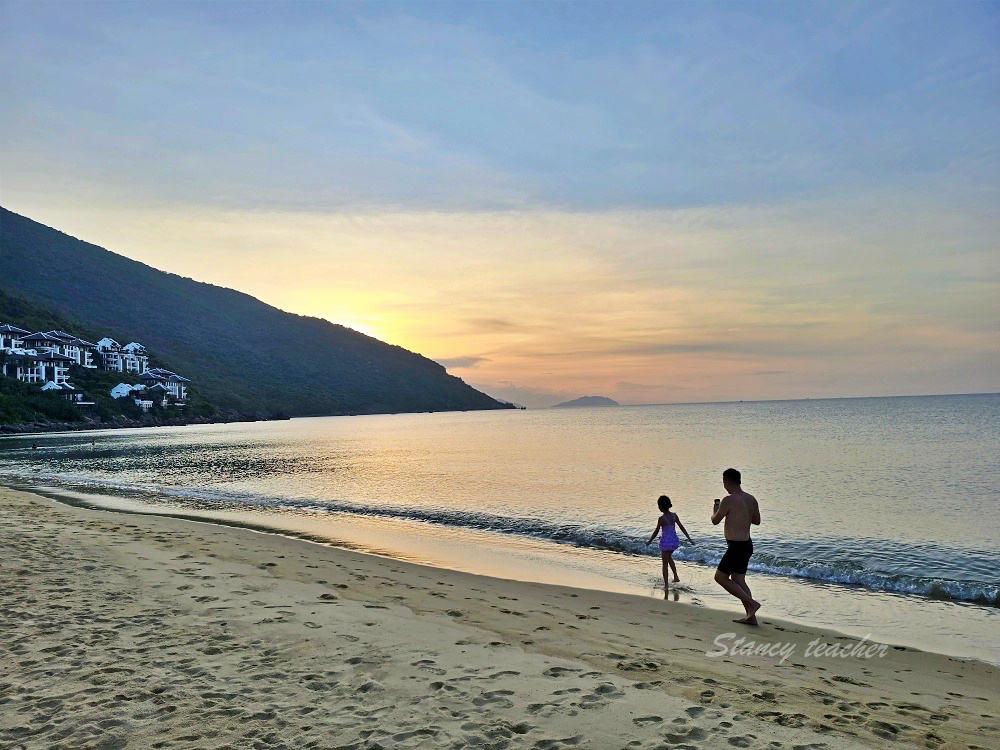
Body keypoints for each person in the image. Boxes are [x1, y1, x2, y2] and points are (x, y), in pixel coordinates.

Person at [711, 468, 762, 625]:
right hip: (747, 544)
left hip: (736, 546)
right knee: (738, 579)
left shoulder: (728, 500)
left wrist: (715, 510)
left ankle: (752, 604)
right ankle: (751, 617)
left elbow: (715, 520)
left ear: (727, 481)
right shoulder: (751, 499)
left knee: (720, 577)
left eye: (724, 482)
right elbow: (756, 520)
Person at [646, 495, 694, 589]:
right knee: (668, 558)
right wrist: (689, 538)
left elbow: (656, 531)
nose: (658, 507)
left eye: (659, 506)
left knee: (664, 563)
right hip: (673, 541)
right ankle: (676, 576)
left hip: (665, 543)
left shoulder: (661, 518)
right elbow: (681, 527)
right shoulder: (674, 516)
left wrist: (650, 541)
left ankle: (666, 586)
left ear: (662, 506)